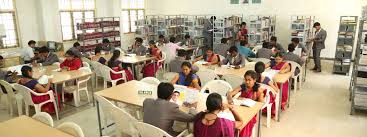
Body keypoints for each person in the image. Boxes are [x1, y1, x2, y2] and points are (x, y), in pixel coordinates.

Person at [227, 70, 264, 137]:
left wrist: (245, 99)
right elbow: (231, 93)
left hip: (251, 113)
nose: (247, 82)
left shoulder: (258, 90)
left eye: (249, 80)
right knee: (230, 119)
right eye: (246, 80)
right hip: (240, 108)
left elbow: (260, 105)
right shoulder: (243, 86)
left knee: (244, 122)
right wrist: (230, 99)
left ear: (254, 80)